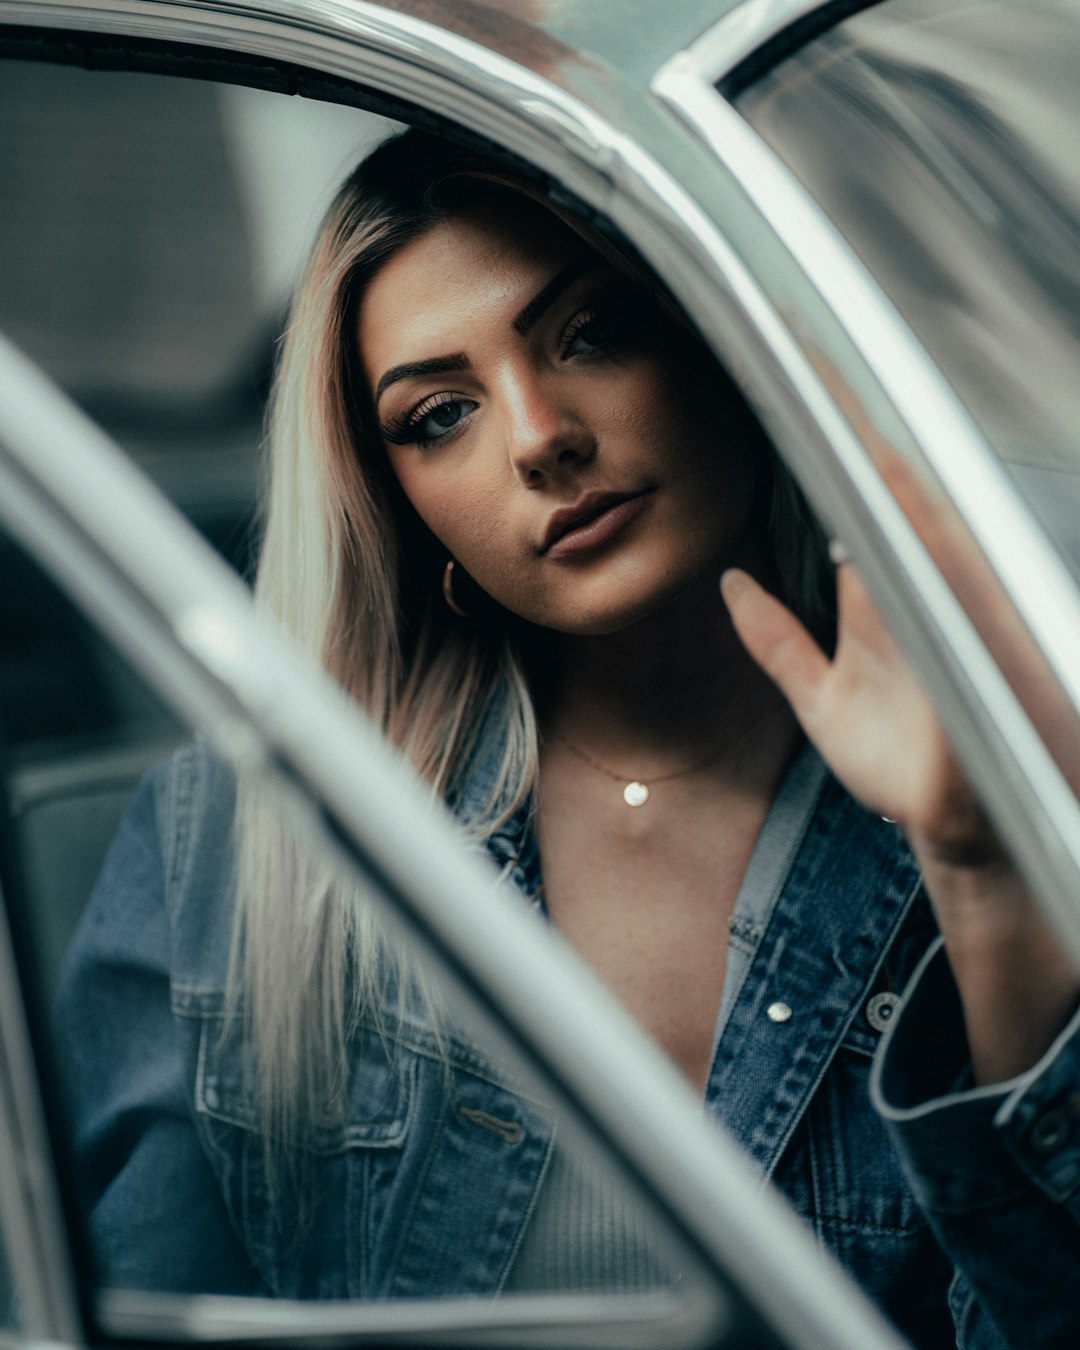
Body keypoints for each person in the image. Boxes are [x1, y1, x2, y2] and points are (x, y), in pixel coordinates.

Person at [58, 129, 1080, 1347]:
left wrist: (978, 872)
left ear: (721, 341)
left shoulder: (1003, 773)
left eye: (591, 334)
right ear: (399, 504)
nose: (540, 436)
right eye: (441, 415)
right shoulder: (235, 842)